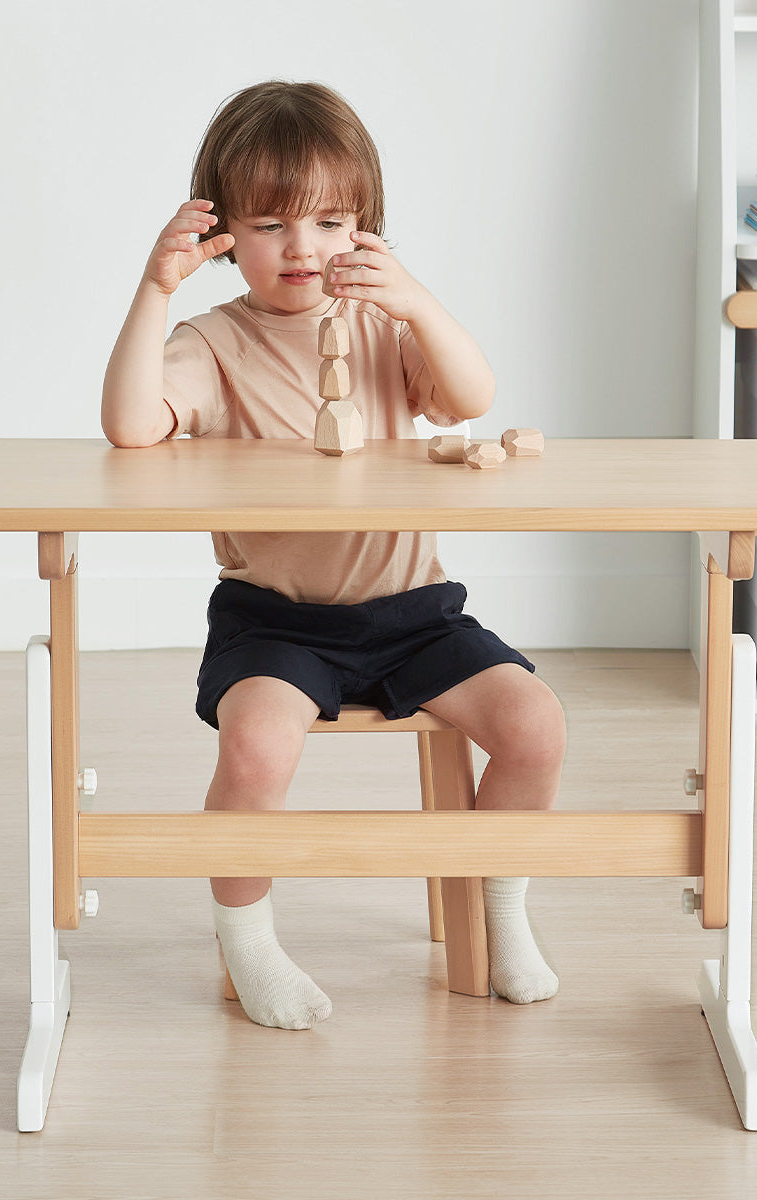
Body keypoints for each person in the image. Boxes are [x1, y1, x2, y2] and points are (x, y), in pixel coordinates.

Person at [102, 80, 567, 1030]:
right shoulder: (213, 342)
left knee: (534, 725)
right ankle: (249, 943)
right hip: (276, 620)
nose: (303, 248)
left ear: (367, 229)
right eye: (271, 223)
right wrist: (155, 292)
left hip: (414, 612)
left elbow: (470, 394)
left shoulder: (386, 325)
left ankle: (501, 906)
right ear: (222, 231)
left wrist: (419, 301)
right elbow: (128, 426)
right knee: (256, 744)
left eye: (329, 221)